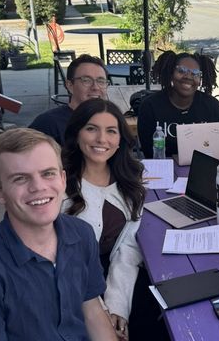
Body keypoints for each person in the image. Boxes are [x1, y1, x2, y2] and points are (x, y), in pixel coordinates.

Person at [0, 128, 116, 340]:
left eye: (48, 173)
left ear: (63, 179)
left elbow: (91, 309)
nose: (38, 187)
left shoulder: (82, 234)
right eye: (20, 178)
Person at [62, 99, 167, 340]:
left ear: (121, 138)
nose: (102, 139)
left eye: (111, 131)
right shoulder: (59, 185)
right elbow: (70, 266)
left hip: (119, 273)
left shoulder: (130, 178)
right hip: (72, 286)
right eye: (91, 129)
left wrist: (118, 306)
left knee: (164, 321)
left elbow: (128, 247)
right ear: (76, 133)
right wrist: (102, 312)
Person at [138, 50, 219, 158]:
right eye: (181, 71)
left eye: (195, 73)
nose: (188, 77)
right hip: (165, 169)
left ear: (200, 79)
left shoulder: (212, 106)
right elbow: (149, 152)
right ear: (171, 73)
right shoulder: (150, 107)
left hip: (204, 169)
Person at [30, 54, 109, 146]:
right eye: (86, 80)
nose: (95, 87)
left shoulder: (110, 121)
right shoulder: (49, 124)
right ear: (70, 85)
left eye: (101, 81)